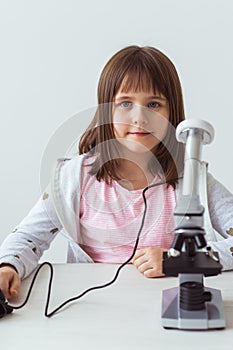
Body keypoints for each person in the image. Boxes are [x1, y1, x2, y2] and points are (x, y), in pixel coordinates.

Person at [0, 45, 233, 301]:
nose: (139, 118)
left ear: (172, 113)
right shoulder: (75, 176)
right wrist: (8, 265)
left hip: (161, 309)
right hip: (91, 309)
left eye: (154, 104)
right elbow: (29, 236)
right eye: (125, 103)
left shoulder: (192, 182)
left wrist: (177, 260)